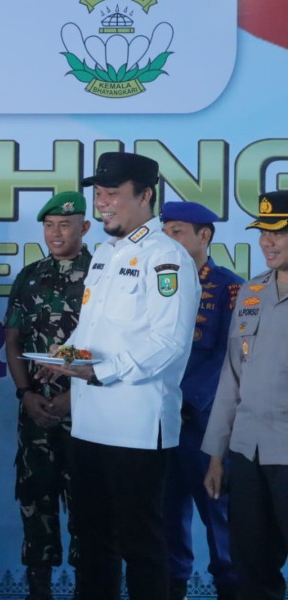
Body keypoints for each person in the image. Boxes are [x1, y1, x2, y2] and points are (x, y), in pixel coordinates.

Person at [41, 151, 201, 600]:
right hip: (90, 422)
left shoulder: (167, 257)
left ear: (145, 195)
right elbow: (93, 331)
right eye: (98, 193)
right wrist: (64, 354)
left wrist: (99, 372)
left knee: (142, 545)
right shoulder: (106, 254)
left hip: (136, 426)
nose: (102, 202)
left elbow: (168, 344)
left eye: (112, 193)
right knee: (92, 541)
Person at [4, 191, 92, 600]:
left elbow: (114, 345)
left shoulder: (103, 273)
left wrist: (72, 400)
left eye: (65, 225)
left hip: (91, 414)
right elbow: (13, 341)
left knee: (89, 509)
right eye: (49, 225)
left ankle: (88, 590)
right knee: (35, 502)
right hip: (35, 413)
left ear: (85, 228)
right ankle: (38, 591)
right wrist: (25, 394)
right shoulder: (30, 276)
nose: (56, 233)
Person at [202, 190, 288, 600]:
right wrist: (217, 455)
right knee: (251, 566)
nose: (268, 242)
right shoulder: (251, 294)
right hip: (247, 454)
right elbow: (231, 378)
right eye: (263, 232)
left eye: (280, 232)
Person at [160, 201, 242, 600]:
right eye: (165, 231)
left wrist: (185, 399)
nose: (168, 240)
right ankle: (173, 585)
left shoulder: (229, 287)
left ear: (204, 235)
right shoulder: (158, 282)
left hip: (204, 423)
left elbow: (232, 358)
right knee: (166, 513)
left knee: (218, 514)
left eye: (177, 231)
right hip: (158, 421)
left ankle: (229, 586)